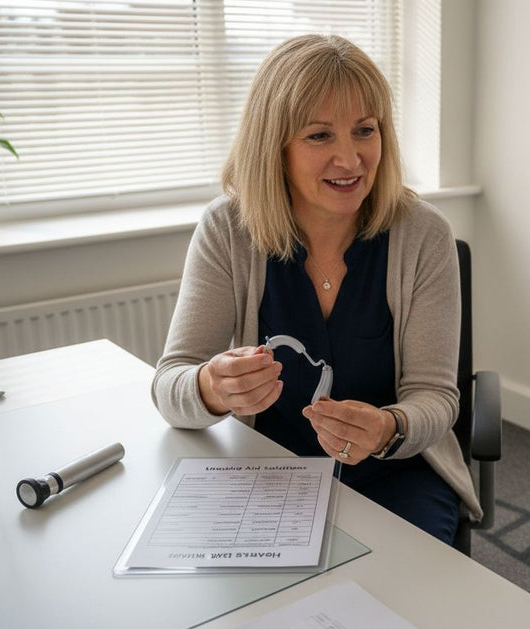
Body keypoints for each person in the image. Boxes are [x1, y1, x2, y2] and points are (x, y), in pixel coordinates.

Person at [151, 34, 479, 545]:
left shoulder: (422, 234)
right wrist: (212, 388)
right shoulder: (227, 230)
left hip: (395, 474)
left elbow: (436, 399)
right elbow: (169, 387)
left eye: (364, 131)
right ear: (273, 144)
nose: (350, 160)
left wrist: (388, 426)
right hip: (267, 474)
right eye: (320, 136)